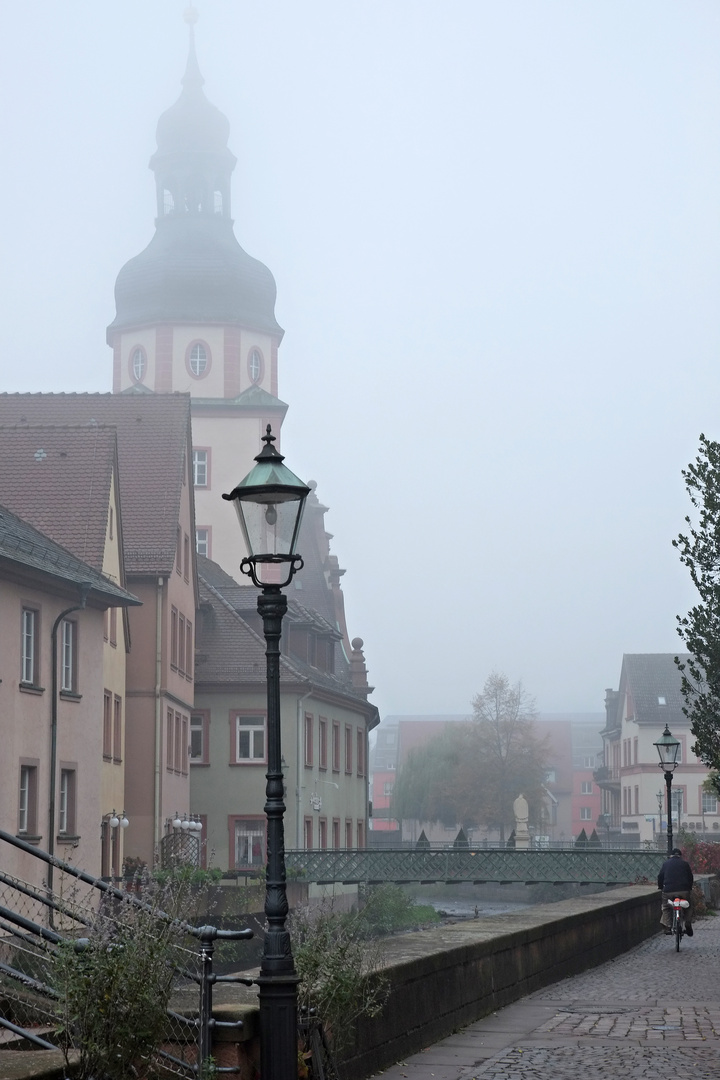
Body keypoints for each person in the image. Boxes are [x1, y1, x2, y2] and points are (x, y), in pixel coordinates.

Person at [657, 847, 694, 936]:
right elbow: (690, 877)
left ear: (671, 856)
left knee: (666, 907)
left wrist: (661, 887)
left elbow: (660, 877)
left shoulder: (666, 864)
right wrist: (689, 888)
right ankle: (688, 922)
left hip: (668, 891)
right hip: (684, 890)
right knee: (689, 905)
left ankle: (667, 926)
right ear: (680, 856)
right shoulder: (685, 864)